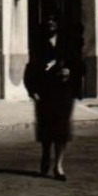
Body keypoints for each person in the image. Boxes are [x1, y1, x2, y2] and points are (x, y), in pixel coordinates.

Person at [24, 17, 75, 180]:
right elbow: (30, 71)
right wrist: (33, 91)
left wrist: (70, 72)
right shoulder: (38, 46)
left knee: (61, 131)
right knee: (47, 131)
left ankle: (58, 166)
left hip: (63, 93)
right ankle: (46, 154)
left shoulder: (67, 45)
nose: (51, 25)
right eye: (49, 22)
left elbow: (79, 66)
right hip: (45, 93)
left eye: (54, 21)